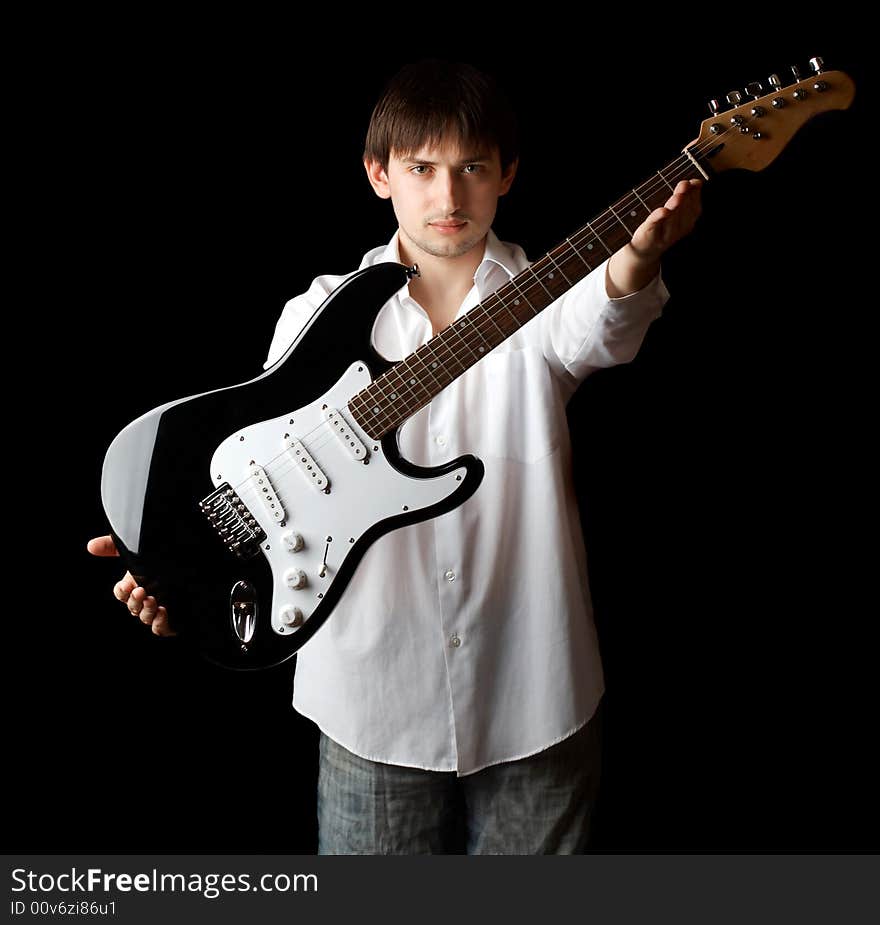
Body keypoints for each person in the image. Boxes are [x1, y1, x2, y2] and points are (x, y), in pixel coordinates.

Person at [88, 58, 702, 853]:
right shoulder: (316, 314)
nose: (449, 197)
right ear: (380, 174)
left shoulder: (544, 299)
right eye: (422, 169)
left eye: (473, 168)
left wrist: (640, 254)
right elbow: (262, 473)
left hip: (534, 688)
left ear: (507, 174)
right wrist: (177, 573)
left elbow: (606, 320)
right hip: (371, 700)